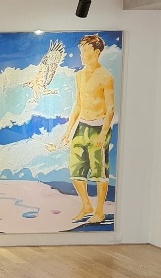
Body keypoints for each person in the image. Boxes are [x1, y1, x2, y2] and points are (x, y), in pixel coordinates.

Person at [48, 34, 115, 223]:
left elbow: (110, 108)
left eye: (86, 50)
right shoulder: (79, 75)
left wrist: (103, 133)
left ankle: (99, 211)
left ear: (97, 52)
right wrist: (68, 131)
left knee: (99, 172)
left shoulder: (106, 76)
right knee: (76, 171)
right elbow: (78, 104)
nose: (82, 54)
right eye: (81, 51)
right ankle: (86, 205)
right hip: (82, 127)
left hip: (98, 128)